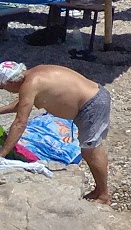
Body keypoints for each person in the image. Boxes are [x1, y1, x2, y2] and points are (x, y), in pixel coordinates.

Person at [1, 61, 113, 203]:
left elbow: (20, 123)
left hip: (92, 104)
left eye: (3, 87)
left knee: (91, 150)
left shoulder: (31, 84)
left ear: (10, 82)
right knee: (90, 149)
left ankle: (103, 195)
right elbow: (22, 103)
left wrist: (2, 155)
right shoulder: (33, 74)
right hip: (92, 99)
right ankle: (99, 190)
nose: (6, 91)